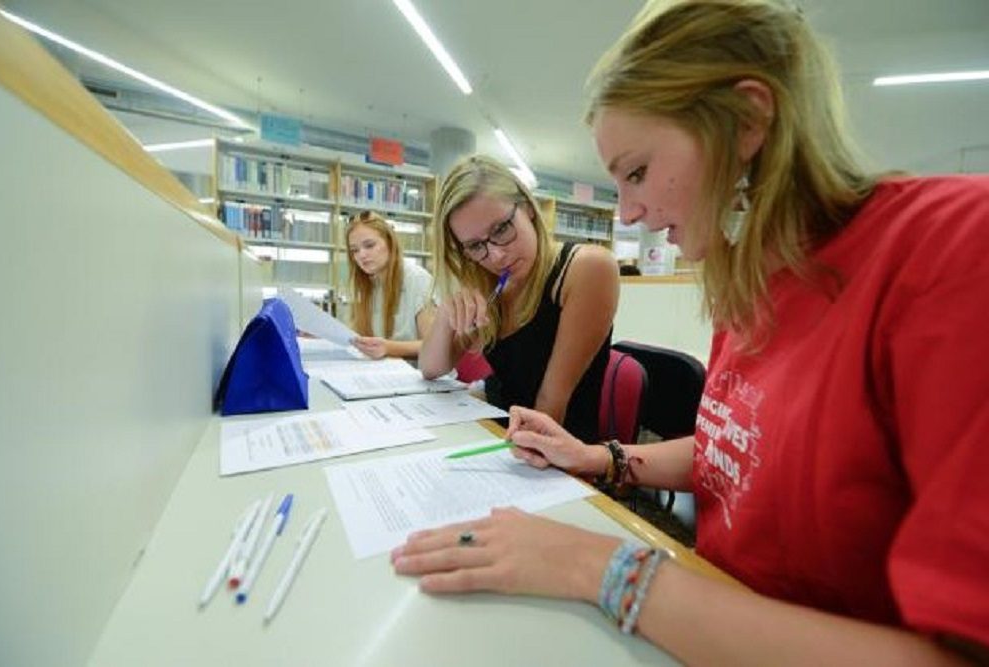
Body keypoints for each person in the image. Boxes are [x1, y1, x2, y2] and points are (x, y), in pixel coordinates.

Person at [392, 1, 989, 664]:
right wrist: (605, 457)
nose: (629, 212)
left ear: (748, 121)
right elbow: (734, 454)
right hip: (702, 608)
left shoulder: (956, 250)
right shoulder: (750, 278)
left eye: (638, 172)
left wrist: (604, 569)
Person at [418, 155, 619, 442]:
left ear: (528, 208)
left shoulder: (585, 268)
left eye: (501, 229)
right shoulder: (489, 281)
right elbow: (431, 368)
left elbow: (550, 408)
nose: (496, 255)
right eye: (475, 245)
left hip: (558, 455)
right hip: (497, 432)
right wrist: (448, 311)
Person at [344, 210, 435, 359]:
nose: (361, 255)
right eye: (355, 250)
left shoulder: (417, 279)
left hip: (422, 376)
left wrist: (388, 348)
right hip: (386, 374)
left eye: (369, 245)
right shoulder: (366, 285)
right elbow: (356, 338)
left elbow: (435, 347)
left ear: (390, 243)